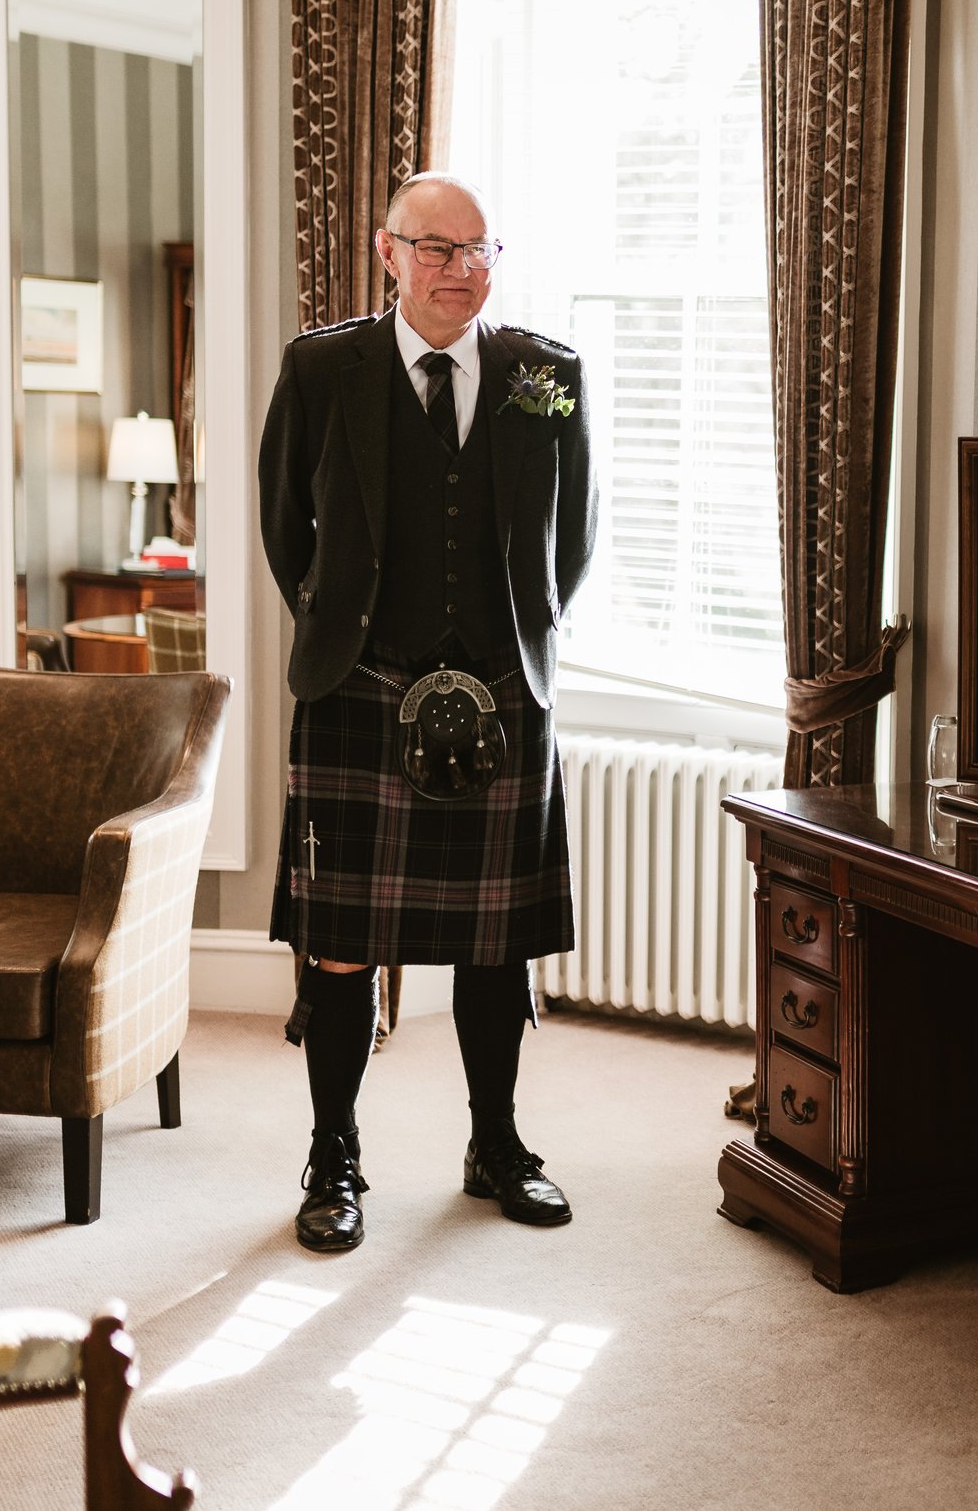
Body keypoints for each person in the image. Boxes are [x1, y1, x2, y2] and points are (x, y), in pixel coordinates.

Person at [258, 171, 596, 1254]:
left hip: (502, 693)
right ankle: (335, 1156)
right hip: (360, 692)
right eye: (437, 248)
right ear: (387, 252)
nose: (462, 268)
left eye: (479, 248)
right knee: (342, 946)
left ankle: (495, 1142)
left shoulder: (544, 374)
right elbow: (285, 528)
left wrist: (515, 637)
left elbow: (574, 539)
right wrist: (348, 633)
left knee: (497, 947)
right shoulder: (322, 369)